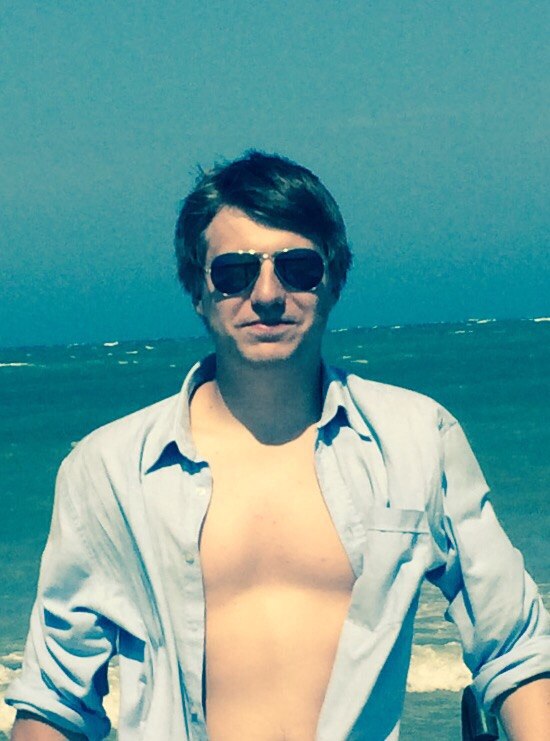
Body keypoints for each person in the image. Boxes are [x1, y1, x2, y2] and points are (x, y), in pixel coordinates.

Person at [7, 151, 549, 740]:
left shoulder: (417, 438)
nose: (267, 294)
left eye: (297, 268)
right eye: (234, 273)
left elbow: (515, 649)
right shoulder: (108, 469)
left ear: (333, 281)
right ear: (198, 290)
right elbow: (57, 698)